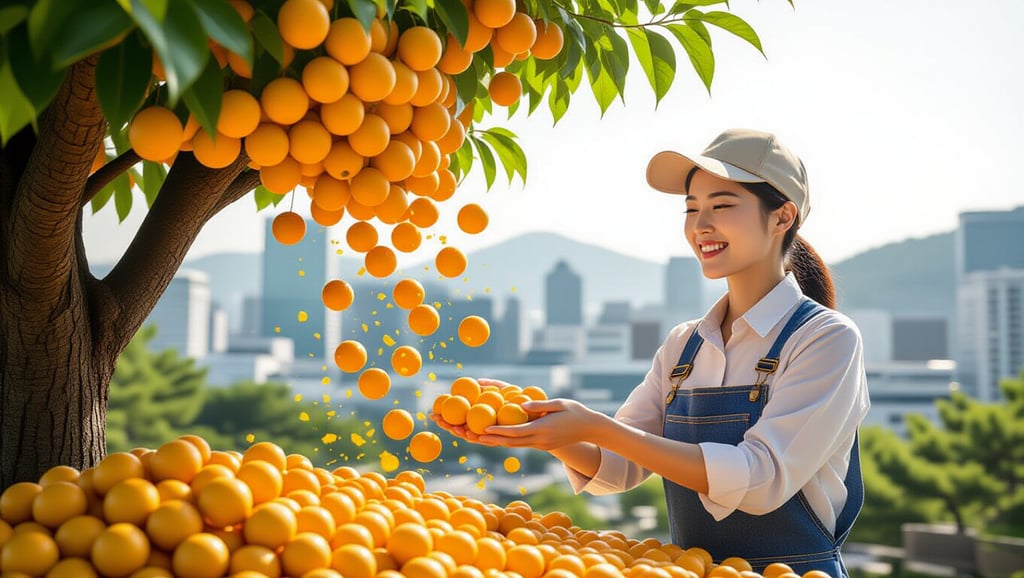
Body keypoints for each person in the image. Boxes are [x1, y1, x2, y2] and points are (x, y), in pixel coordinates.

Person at [432, 128, 870, 576]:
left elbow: (760, 479)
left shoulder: (825, 339)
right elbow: (618, 465)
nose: (700, 225)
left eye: (721, 206)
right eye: (691, 208)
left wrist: (597, 427)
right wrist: (541, 427)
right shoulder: (684, 346)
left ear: (782, 217)